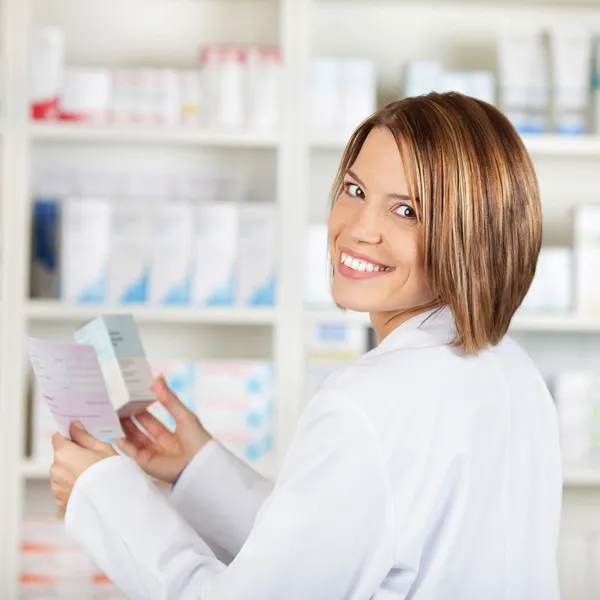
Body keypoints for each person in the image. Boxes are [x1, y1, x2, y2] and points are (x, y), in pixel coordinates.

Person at [49, 92, 562, 600]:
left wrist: (102, 497)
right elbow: (336, 548)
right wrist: (197, 468)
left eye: (407, 210)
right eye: (355, 190)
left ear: (473, 233)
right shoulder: (512, 369)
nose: (360, 230)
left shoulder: (367, 403)